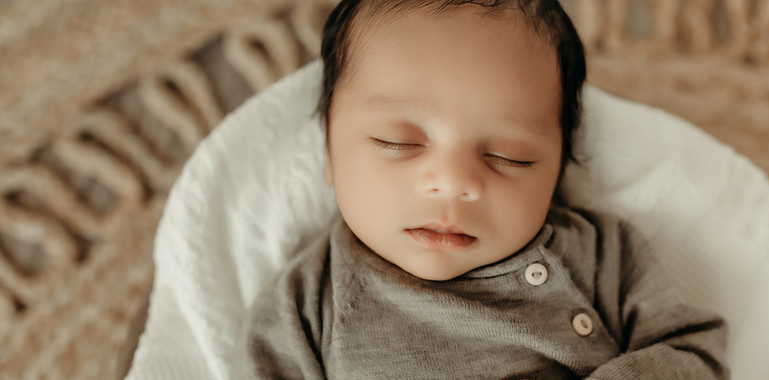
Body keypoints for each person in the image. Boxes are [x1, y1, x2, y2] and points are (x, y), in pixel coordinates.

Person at [235, 0, 728, 378]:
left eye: (508, 156)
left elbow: (693, 349)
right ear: (329, 154)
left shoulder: (601, 255)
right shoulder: (308, 299)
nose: (453, 183)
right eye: (399, 142)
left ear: (557, 171)